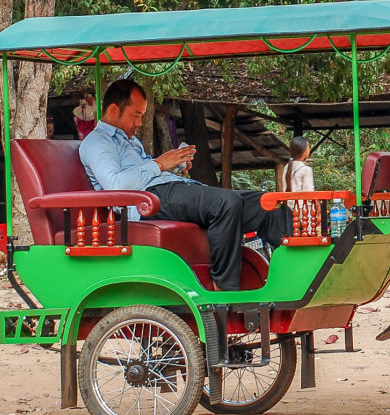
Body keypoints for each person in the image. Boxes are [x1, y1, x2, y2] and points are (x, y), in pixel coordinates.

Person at [79, 79, 286, 291]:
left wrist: (173, 168)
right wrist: (160, 164)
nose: (139, 123)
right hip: (147, 203)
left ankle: (288, 280)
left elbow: (146, 173)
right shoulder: (98, 142)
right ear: (114, 110)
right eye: (136, 115)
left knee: (266, 203)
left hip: (169, 190)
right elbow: (115, 187)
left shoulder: (130, 141)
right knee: (226, 202)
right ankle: (224, 287)